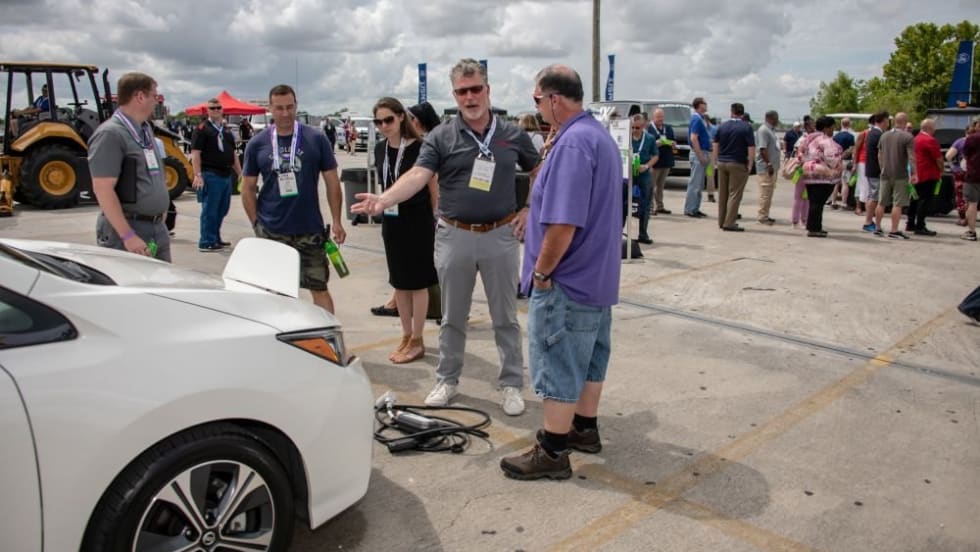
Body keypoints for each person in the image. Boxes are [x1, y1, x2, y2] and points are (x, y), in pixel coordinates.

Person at [351, 58, 540, 416]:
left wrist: (530, 208)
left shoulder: (511, 134)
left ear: (487, 90)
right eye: (462, 91)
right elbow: (418, 175)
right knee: (452, 317)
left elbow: (538, 169)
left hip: (500, 235)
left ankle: (511, 384)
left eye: (475, 89)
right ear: (454, 96)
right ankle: (447, 380)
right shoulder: (441, 136)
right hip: (455, 235)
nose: (470, 97)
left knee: (505, 317)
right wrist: (385, 199)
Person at [499, 64, 621, 480]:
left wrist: (541, 272)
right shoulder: (596, 136)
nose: (536, 108)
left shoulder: (573, 144)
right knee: (590, 359)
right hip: (595, 277)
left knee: (558, 361)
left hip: (568, 279)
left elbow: (563, 223)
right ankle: (583, 429)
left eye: (536, 99)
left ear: (553, 99)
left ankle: (552, 451)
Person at [241, 84, 347, 313]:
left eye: (290, 107)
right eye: (279, 108)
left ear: (296, 106)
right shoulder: (257, 144)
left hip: (309, 228)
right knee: (276, 291)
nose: (285, 113)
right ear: (270, 109)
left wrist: (337, 220)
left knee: (319, 287)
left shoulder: (316, 139)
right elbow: (247, 188)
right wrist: (256, 223)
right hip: (272, 230)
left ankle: (329, 334)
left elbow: (332, 182)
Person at [372, 97, 439, 363]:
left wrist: (436, 218)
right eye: (378, 122)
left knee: (418, 282)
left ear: (401, 117)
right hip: (392, 221)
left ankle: (418, 338)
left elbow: (433, 186)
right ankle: (406, 334)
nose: (384, 126)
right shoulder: (380, 148)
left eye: (388, 119)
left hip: (419, 221)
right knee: (399, 281)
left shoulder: (421, 147)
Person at [89, 73, 171, 262]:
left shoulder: (145, 130)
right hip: (129, 231)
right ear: (140, 96)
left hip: (155, 227)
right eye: (154, 96)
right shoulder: (110, 134)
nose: (156, 101)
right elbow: (103, 188)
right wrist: (128, 236)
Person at [191, 99, 242, 252]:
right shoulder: (202, 129)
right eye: (212, 108)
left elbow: (233, 154)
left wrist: (240, 173)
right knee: (210, 209)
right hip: (210, 173)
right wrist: (197, 174)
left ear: (222, 110)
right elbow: (196, 153)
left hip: (225, 173)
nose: (216, 110)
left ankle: (215, 237)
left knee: (222, 208)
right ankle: (206, 241)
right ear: (207, 111)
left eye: (218, 107)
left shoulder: (226, 131)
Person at [797, 116, 843, 237]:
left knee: (813, 202)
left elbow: (800, 154)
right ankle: (814, 228)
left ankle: (813, 226)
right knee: (818, 203)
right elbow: (832, 158)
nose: (833, 130)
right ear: (826, 128)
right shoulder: (826, 141)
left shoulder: (807, 139)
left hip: (808, 173)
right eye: (832, 127)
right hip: (822, 175)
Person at [712, 103, 755, 232]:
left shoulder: (722, 126)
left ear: (731, 112)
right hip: (737, 162)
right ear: (742, 113)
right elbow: (751, 147)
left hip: (722, 162)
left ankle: (721, 220)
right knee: (735, 194)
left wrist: (715, 160)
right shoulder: (746, 127)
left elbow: (715, 144)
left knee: (723, 193)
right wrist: (750, 163)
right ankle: (729, 222)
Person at [874, 112, 915, 239]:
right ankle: (894, 230)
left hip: (885, 173)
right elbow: (911, 157)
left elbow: (879, 154)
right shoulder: (907, 137)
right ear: (905, 122)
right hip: (900, 174)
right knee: (898, 203)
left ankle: (878, 227)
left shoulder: (884, 135)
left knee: (881, 202)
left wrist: (882, 168)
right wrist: (914, 173)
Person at [909, 118, 943, 236]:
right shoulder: (930, 140)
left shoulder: (915, 139)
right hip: (928, 174)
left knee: (914, 199)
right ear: (929, 128)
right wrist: (941, 170)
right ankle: (920, 225)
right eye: (934, 128)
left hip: (916, 173)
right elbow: (938, 158)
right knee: (924, 201)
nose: (935, 130)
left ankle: (910, 223)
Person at [628, 114, 658, 244]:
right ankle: (620, 233)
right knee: (624, 203)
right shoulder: (626, 138)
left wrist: (646, 166)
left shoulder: (650, 138)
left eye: (637, 128)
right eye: (633, 127)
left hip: (643, 174)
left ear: (643, 126)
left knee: (645, 204)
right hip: (629, 174)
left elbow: (655, 155)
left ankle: (643, 234)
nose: (635, 130)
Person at [947, 121, 978, 227]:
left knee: (960, 195)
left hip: (960, 172)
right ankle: (972, 217)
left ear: (965, 132)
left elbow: (948, 156)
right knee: (973, 197)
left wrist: (953, 166)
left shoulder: (960, 142)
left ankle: (963, 218)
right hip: (974, 172)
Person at [862, 111, 889, 233]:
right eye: (887, 121)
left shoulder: (871, 133)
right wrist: (883, 169)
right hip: (876, 170)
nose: (888, 124)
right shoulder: (878, 134)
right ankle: (868, 222)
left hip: (870, 168)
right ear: (883, 121)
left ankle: (868, 220)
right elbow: (880, 154)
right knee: (874, 197)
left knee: (871, 196)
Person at [684, 97, 710, 218]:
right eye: (704, 103)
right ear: (699, 105)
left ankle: (695, 207)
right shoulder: (696, 119)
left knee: (699, 184)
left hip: (703, 152)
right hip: (698, 153)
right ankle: (690, 209)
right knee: (695, 183)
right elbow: (694, 138)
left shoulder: (701, 119)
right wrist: (700, 155)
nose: (706, 105)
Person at [647, 108, 674, 215]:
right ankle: (650, 207)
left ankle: (660, 206)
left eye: (662, 117)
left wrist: (671, 143)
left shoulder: (668, 128)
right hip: (654, 162)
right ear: (653, 117)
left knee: (661, 186)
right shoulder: (649, 129)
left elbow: (672, 140)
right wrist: (657, 143)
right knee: (651, 185)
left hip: (666, 160)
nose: (660, 119)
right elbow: (648, 144)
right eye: (658, 117)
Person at [755, 110, 780, 225]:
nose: (777, 120)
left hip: (772, 167)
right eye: (776, 118)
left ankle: (765, 214)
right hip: (766, 168)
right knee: (765, 193)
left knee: (769, 192)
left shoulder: (771, 130)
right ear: (771, 118)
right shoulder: (764, 130)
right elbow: (762, 149)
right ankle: (762, 216)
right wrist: (769, 164)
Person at [830, 117, 856, 209]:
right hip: (846, 161)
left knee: (836, 183)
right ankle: (844, 203)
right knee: (845, 183)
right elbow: (852, 149)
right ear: (849, 125)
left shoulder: (835, 136)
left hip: (836, 161)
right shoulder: (851, 136)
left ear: (841, 124)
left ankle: (833, 201)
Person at [960, 124, 980, 242]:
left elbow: (965, 154)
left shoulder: (972, 138)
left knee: (972, 203)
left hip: (974, 174)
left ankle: (972, 232)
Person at [852, 115, 874, 216]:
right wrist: (854, 164)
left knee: (870, 185)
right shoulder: (864, 133)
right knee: (862, 184)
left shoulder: (880, 133)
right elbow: (856, 149)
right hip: (863, 162)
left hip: (873, 162)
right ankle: (859, 207)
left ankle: (867, 207)